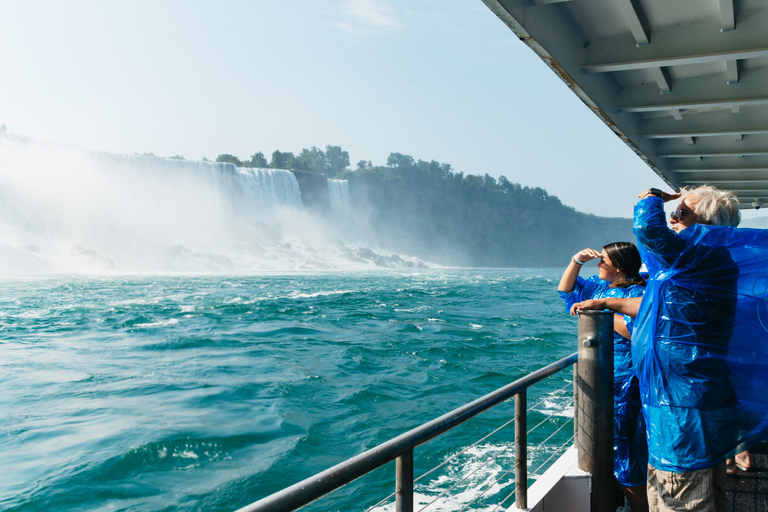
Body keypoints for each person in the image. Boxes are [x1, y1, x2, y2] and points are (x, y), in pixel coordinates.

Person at [572, 185, 748, 512]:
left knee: (680, 499)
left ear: (705, 224)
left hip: (682, 406)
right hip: (701, 398)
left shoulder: (693, 255)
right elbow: (667, 307)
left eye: (682, 212)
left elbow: (647, 228)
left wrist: (652, 197)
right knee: (709, 492)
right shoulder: (711, 263)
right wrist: (608, 301)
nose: (673, 216)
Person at [558, 242, 648, 512]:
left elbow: (637, 331)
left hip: (627, 382)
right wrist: (576, 260)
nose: (598, 265)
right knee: (616, 446)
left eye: (603, 261)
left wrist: (605, 311)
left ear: (618, 267)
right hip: (605, 381)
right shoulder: (600, 288)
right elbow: (566, 291)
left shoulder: (638, 293)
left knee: (629, 450)